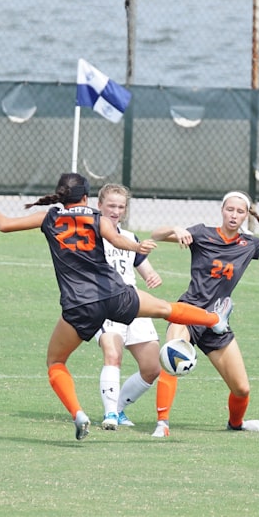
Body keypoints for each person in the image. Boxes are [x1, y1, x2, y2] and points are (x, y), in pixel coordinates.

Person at [0, 172, 232, 440]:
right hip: (114, 294)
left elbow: (4, 225)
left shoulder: (49, 217)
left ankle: (78, 414)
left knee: (56, 361)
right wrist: (137, 245)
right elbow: (116, 239)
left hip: (79, 305)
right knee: (165, 309)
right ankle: (214, 320)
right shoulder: (95, 217)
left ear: (60, 195)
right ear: (87, 197)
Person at [147, 188, 259, 438]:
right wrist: (175, 229)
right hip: (188, 312)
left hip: (218, 322)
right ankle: (162, 424)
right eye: (229, 209)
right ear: (222, 210)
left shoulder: (248, 244)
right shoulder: (201, 233)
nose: (233, 215)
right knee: (173, 355)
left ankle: (236, 424)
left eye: (239, 211)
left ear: (246, 216)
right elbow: (155, 234)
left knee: (241, 389)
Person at [94, 184, 163, 430]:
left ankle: (119, 408)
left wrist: (152, 275)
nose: (115, 211)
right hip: (106, 305)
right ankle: (110, 414)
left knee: (152, 368)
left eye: (120, 207)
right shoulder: (91, 236)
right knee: (113, 356)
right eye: (111, 205)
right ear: (99, 205)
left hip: (134, 304)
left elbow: (143, 267)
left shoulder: (131, 237)